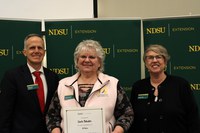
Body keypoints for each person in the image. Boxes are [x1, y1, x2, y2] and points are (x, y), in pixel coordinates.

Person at [46, 39, 134, 133]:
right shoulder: (64, 84)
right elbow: (52, 116)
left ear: (99, 62)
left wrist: (117, 132)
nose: (87, 60)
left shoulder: (112, 83)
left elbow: (127, 113)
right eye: (83, 56)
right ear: (77, 61)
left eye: (92, 57)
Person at [128, 44, 200, 133]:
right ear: (145, 63)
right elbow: (132, 119)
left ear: (165, 61)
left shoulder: (180, 85)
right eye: (150, 58)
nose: (154, 60)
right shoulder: (138, 87)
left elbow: (193, 118)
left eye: (158, 57)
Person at [0, 33, 60, 133]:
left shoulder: (53, 77)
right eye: (32, 48)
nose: (36, 51)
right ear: (24, 52)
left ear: (44, 52)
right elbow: (4, 113)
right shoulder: (12, 76)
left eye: (40, 48)